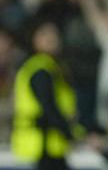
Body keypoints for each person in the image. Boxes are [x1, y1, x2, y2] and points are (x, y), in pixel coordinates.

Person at [11, 21, 80, 170]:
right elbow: (49, 108)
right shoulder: (40, 70)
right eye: (44, 33)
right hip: (40, 147)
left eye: (54, 33)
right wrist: (71, 135)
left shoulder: (54, 67)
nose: (52, 38)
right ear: (33, 39)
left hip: (49, 146)